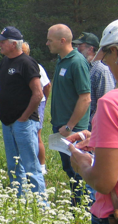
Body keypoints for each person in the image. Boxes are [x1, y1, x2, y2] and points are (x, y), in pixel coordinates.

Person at [68, 19, 118, 224]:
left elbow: (104, 182)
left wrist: (81, 164)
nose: (104, 63)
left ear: (115, 51)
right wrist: (98, 137)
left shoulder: (111, 103)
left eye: (104, 56)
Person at [0, 26, 46, 196]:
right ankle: (19, 197)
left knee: (31, 164)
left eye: (3, 41)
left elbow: (38, 94)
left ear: (14, 44)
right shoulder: (4, 62)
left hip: (23, 122)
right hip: (7, 121)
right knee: (13, 165)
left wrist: (24, 117)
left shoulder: (27, 63)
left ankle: (40, 203)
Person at [46, 24, 93, 206]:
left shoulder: (77, 62)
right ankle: (77, 204)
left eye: (50, 40)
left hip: (74, 129)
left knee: (79, 169)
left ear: (62, 40)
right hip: (62, 126)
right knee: (70, 168)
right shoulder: (61, 60)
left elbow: (85, 98)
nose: (47, 43)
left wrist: (69, 127)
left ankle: (85, 207)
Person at [73, 32, 115, 131]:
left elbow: (105, 103)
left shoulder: (101, 70)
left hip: (93, 126)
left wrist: (93, 124)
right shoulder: (82, 67)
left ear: (90, 49)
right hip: (79, 123)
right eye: (76, 45)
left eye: (80, 46)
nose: (77, 49)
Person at [22, 42, 52, 175]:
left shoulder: (36, 66)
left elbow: (47, 86)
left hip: (38, 103)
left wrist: (43, 100)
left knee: (37, 134)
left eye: (23, 51)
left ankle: (41, 166)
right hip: (23, 103)